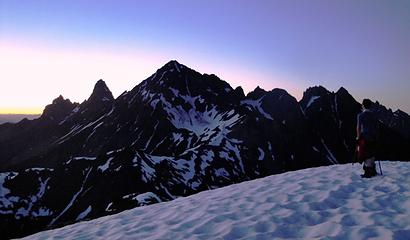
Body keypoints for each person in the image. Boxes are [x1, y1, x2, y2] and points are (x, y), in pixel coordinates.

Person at [356, 99, 379, 178]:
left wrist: (358, 137)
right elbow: (377, 127)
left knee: (365, 154)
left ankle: (368, 172)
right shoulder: (374, 115)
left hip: (364, 137)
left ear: (363, 105)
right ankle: (372, 170)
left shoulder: (360, 115)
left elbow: (358, 128)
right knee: (371, 153)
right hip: (373, 137)